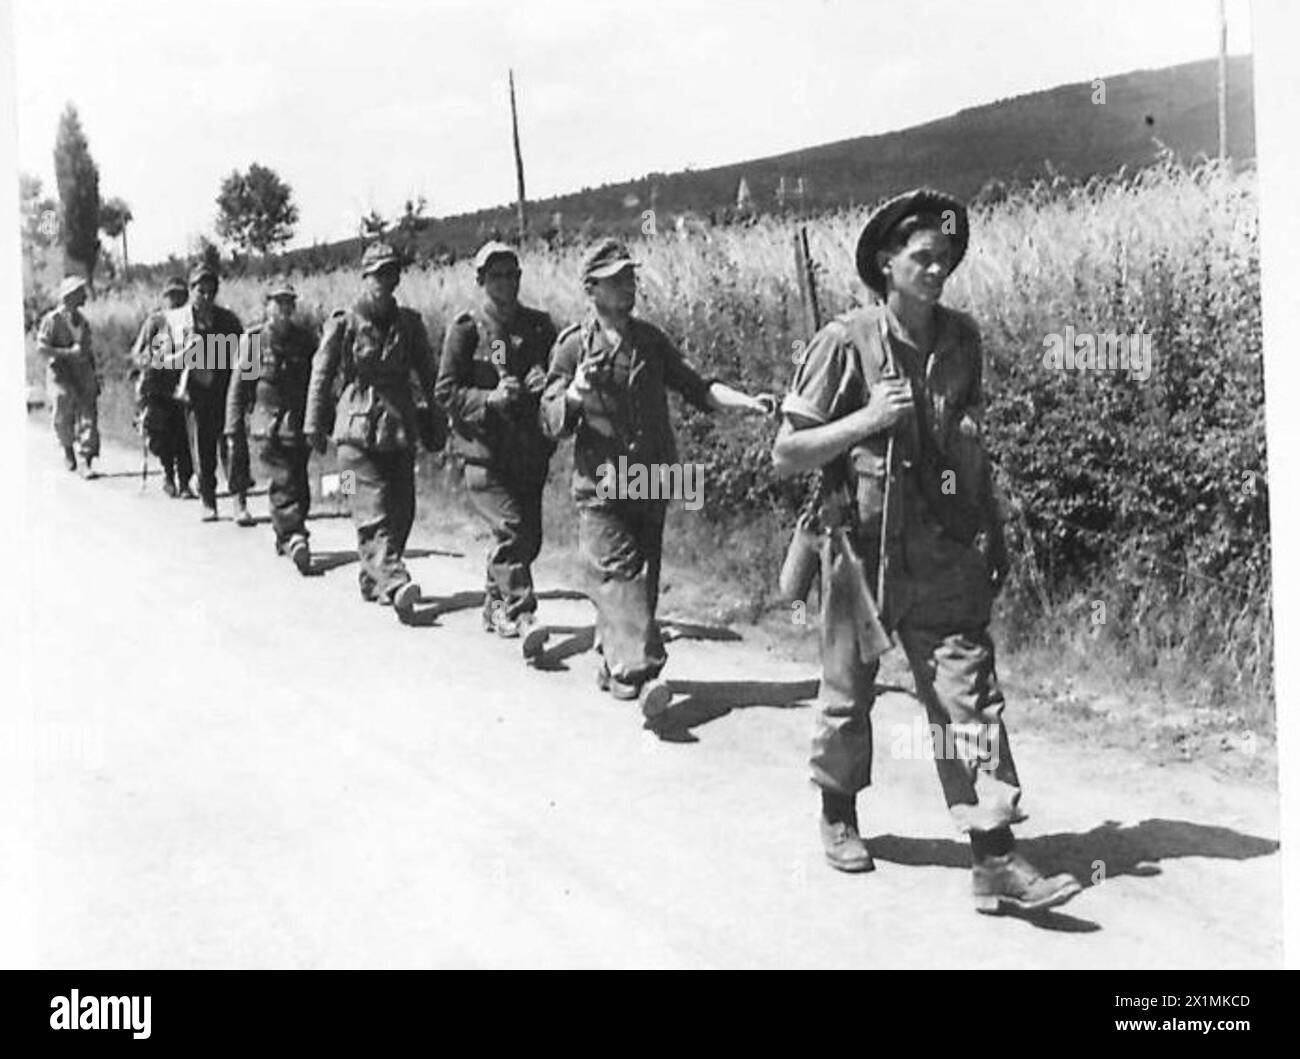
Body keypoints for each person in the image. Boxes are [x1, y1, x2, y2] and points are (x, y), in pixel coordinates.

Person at [771, 188, 1082, 913]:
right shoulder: (844, 341)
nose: (937, 269)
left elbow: (972, 447)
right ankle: (838, 809)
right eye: (922, 257)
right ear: (886, 264)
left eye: (945, 258)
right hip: (860, 550)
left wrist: (994, 527)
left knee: (968, 694)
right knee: (848, 695)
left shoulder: (962, 339)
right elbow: (787, 452)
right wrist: (867, 420)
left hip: (943, 551)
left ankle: (995, 856)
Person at [541, 239, 773, 702]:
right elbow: (550, 417)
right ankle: (646, 675)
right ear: (592, 289)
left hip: (652, 478)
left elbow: (697, 387)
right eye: (617, 280)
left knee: (643, 581)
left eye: (631, 278)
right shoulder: (571, 347)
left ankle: (615, 660)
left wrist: (746, 403)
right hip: (601, 482)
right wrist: (573, 398)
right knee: (617, 573)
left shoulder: (650, 340)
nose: (629, 286)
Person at [304, 242, 441, 622]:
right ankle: (395, 580)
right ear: (364, 277)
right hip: (353, 432)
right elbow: (322, 374)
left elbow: (430, 377)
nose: (385, 280)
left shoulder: (410, 324)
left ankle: (373, 575)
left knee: (402, 510)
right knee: (369, 506)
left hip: (399, 427)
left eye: (391, 272)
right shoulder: (343, 323)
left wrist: (436, 423)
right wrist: (314, 425)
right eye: (377, 273)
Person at [435, 241, 557, 638]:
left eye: (512, 274)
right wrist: (489, 398)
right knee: (512, 530)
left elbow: (561, 377)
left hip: (527, 451)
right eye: (497, 275)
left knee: (529, 541)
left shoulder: (540, 326)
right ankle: (522, 615)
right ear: (481, 280)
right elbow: (445, 392)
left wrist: (545, 382)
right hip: (483, 454)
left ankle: (495, 603)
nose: (506, 283)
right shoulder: (467, 330)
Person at [225, 283, 319, 571]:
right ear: (267, 306)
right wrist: (232, 427)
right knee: (283, 478)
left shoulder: (305, 341)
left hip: (298, 424)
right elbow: (239, 389)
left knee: (300, 483)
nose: (284, 310)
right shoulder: (255, 341)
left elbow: (318, 382)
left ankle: (286, 534)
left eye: (289, 304)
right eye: (278, 303)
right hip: (267, 425)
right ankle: (294, 536)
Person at [167, 264, 245, 521]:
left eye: (212, 291)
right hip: (196, 393)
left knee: (233, 446)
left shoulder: (229, 320)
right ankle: (208, 500)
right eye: (201, 291)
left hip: (227, 391)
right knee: (203, 448)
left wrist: (248, 391)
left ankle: (239, 501)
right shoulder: (176, 320)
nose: (207, 297)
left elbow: (247, 356)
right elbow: (160, 359)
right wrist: (185, 354)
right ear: (191, 290)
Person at [131, 276, 195, 497]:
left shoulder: (190, 321)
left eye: (180, 295)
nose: (176, 300)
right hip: (158, 387)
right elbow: (137, 353)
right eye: (172, 295)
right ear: (164, 298)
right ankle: (168, 475)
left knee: (184, 438)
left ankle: (185, 481)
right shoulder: (155, 322)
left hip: (185, 387)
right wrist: (149, 362)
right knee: (162, 437)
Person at [36, 276, 101, 477]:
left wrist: (95, 374)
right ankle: (68, 451)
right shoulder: (52, 319)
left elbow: (88, 350)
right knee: (63, 410)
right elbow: (42, 348)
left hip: (83, 372)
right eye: (80, 292)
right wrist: (67, 353)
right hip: (60, 373)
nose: (84, 296)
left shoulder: (83, 322)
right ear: (69, 295)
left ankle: (86, 460)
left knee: (88, 412)